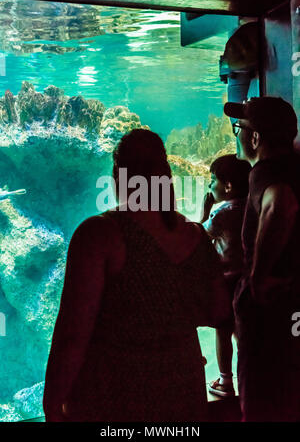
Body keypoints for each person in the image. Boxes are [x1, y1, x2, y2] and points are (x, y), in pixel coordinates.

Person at [43, 128, 231, 422]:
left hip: (114, 396)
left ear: (119, 175)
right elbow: (218, 311)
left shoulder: (99, 235)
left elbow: (72, 333)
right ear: (165, 176)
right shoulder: (195, 235)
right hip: (182, 392)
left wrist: (52, 402)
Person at [224, 96, 300, 421]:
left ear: (255, 138)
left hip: (268, 309)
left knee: (260, 402)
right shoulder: (295, 168)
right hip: (291, 301)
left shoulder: (265, 172)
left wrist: (258, 276)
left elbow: (281, 205)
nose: (236, 134)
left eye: (238, 128)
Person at [200, 154, 251, 398]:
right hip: (248, 282)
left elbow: (198, 238)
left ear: (227, 186)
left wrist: (205, 210)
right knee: (242, 333)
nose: (210, 186)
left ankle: (225, 381)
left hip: (227, 282)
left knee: (222, 329)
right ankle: (248, 378)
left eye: (212, 180)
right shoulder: (253, 207)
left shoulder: (222, 213)